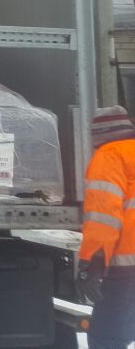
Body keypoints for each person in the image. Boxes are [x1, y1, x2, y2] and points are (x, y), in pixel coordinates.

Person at [79, 106, 135, 349]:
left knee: (106, 337)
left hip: (126, 266)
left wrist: (92, 265)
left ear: (100, 134)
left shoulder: (110, 154)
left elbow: (104, 217)